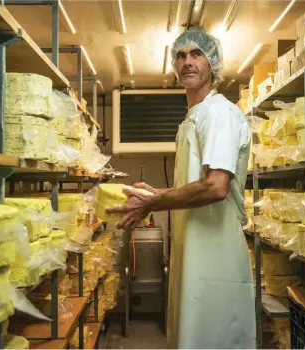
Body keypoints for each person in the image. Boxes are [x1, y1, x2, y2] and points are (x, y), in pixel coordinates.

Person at [107, 28, 256, 349]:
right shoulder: (194, 117)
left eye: (196, 54)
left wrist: (157, 200)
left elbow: (216, 187)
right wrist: (158, 197)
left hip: (216, 252)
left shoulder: (218, 114)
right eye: (180, 55)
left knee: (214, 336)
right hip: (195, 249)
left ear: (212, 63)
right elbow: (195, 184)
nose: (187, 62)